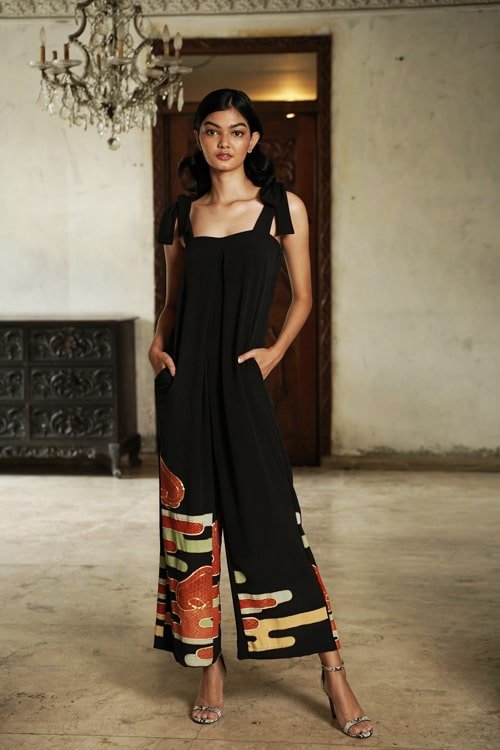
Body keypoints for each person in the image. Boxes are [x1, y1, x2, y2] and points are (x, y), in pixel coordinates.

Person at [148, 88, 373, 740]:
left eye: (237, 131)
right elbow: (173, 302)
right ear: (198, 138)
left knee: (274, 522)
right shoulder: (181, 216)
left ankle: (333, 671)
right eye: (212, 130)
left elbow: (304, 297)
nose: (224, 142)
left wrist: (273, 353)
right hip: (186, 387)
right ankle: (208, 665)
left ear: (253, 140)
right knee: (191, 529)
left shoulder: (282, 208)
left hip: (241, 387)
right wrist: (157, 345)